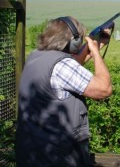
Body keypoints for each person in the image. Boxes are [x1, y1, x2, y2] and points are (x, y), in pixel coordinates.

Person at [15, 16, 112, 167]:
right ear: (73, 41)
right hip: (59, 156)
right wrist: (96, 54)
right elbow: (104, 89)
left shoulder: (35, 56)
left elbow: (70, 69)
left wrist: (96, 45)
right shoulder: (63, 65)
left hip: (32, 151)